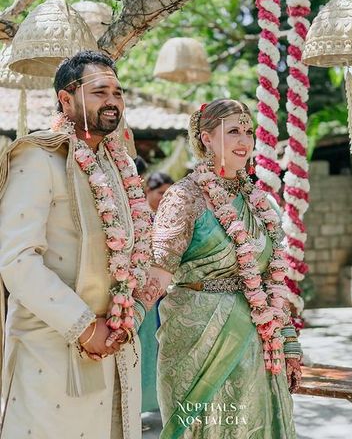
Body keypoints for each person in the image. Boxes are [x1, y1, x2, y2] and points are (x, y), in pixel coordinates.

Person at [0, 50, 153, 439]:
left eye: (118, 93)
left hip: (115, 346)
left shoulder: (119, 167)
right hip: (51, 347)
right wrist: (84, 328)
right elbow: (16, 260)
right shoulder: (38, 156)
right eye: (100, 91)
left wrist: (128, 313)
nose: (113, 102)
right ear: (66, 100)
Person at [134, 99, 302, 438]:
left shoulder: (260, 203)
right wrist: (123, 321)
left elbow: (273, 279)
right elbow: (158, 275)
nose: (244, 140)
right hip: (198, 342)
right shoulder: (184, 198)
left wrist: (289, 341)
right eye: (233, 131)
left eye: (248, 132)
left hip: (258, 344)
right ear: (206, 138)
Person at [138, 173, 174, 418]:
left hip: (165, 297)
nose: (164, 198)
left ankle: (158, 402)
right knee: (145, 349)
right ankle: (137, 405)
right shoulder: (140, 218)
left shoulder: (172, 220)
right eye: (161, 193)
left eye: (168, 194)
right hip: (143, 296)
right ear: (148, 192)